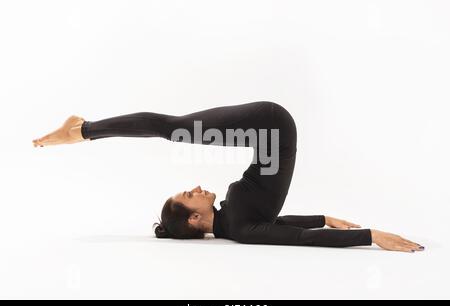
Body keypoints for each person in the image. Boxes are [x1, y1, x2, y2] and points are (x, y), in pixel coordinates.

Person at [32, 101, 424, 252]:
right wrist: (370, 236)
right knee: (172, 128)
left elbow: (278, 223)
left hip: (266, 132)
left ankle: (82, 131)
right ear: (194, 219)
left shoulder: (234, 222)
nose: (199, 187)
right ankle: (81, 130)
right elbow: (296, 238)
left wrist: (324, 217)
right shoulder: (240, 228)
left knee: (175, 127)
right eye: (191, 194)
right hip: (270, 127)